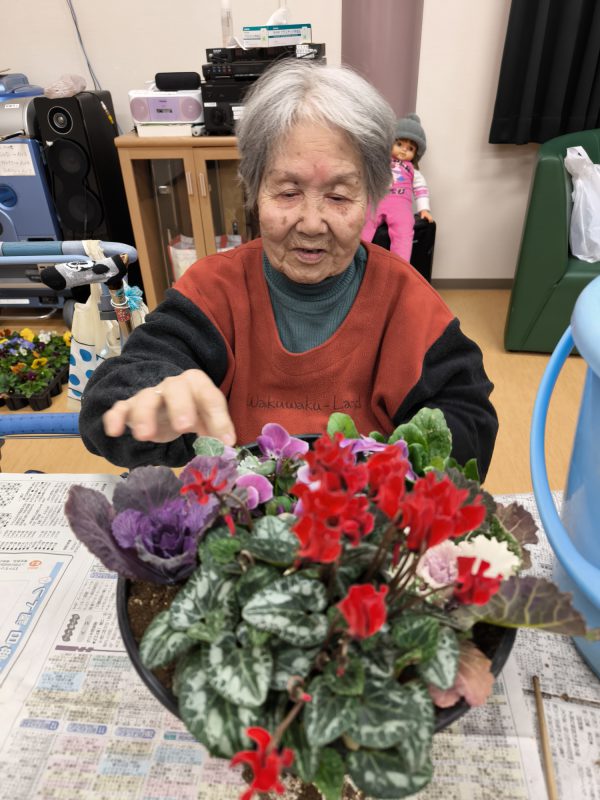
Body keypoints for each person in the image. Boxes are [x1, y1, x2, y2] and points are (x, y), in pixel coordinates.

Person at [79, 61, 498, 478]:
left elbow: (469, 418)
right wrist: (155, 397)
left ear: (371, 199)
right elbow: (110, 403)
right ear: (254, 189)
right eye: (287, 192)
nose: (311, 223)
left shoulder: (406, 302)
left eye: (339, 196)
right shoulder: (214, 292)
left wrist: (397, 471)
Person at [361, 113, 433, 261]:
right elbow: (370, 177)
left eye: (410, 148)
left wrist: (424, 209)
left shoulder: (413, 171)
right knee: (364, 225)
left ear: (415, 154)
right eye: (399, 144)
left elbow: (421, 189)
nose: (404, 150)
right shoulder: (382, 162)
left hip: (401, 206)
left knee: (404, 231)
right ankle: (358, 259)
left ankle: (400, 265)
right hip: (377, 201)